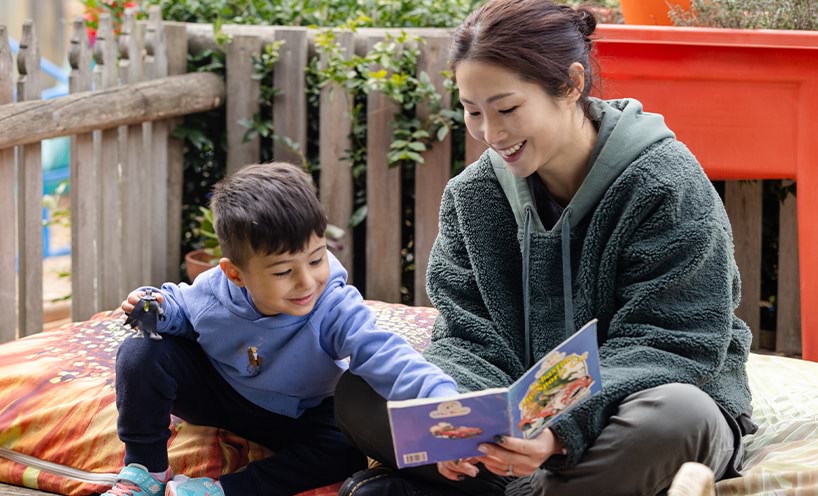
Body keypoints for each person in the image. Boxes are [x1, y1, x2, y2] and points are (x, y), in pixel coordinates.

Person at [334, 0, 757, 494]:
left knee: (678, 419)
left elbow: (673, 344)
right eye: (473, 112)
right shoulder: (472, 197)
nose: (492, 134)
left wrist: (558, 431)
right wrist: (463, 420)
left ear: (572, 84)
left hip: (633, 411)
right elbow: (469, 339)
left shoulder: (665, 183)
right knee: (363, 390)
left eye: (508, 108)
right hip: (519, 439)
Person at [103, 162, 459, 496]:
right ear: (236, 274)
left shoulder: (332, 303)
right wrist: (153, 307)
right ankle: (146, 470)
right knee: (141, 351)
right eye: (282, 272)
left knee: (345, 450)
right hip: (221, 395)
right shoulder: (213, 290)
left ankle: (224, 490)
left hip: (298, 413)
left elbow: (383, 353)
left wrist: (442, 400)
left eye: (316, 259)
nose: (306, 282)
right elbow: (180, 310)